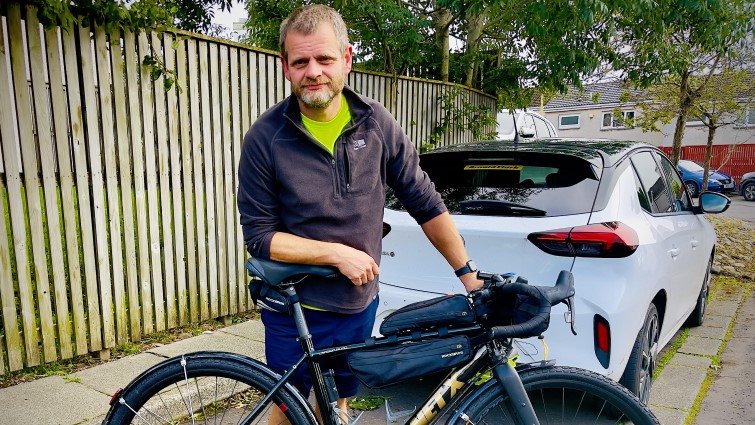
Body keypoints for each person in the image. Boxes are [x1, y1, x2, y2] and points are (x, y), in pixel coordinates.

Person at [237, 4, 481, 423]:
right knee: (286, 412)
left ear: (347, 58)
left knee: (338, 405)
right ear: (286, 67)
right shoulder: (265, 138)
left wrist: (467, 273)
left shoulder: (376, 123)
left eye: (324, 58)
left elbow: (424, 200)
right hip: (291, 307)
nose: (313, 71)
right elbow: (260, 235)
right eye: (301, 61)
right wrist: (336, 253)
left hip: (355, 304)